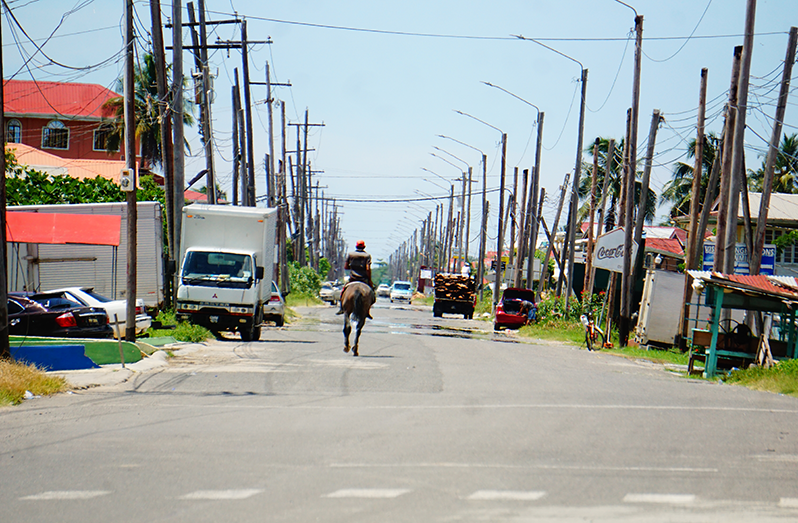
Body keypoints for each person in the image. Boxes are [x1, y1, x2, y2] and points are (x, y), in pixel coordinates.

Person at [337, 240, 376, 318]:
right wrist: (370, 280)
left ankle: (342, 308)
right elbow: (368, 269)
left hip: (352, 278)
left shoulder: (351, 254)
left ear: (356, 246)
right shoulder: (367, 256)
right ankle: (367, 311)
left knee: (343, 291)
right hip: (363, 279)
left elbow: (346, 267)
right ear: (364, 247)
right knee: (372, 295)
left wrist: (353, 266)